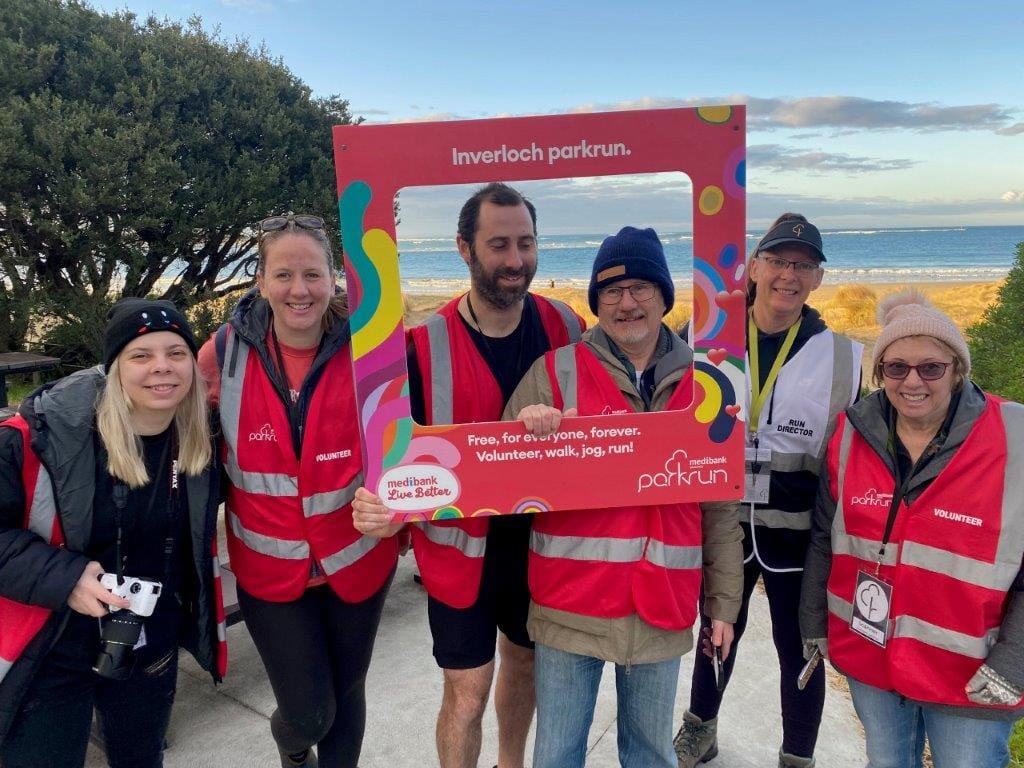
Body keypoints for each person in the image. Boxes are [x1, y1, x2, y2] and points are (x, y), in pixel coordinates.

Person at [353, 182, 584, 768]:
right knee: (466, 691)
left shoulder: (567, 327)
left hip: (544, 547)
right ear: (463, 247)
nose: (515, 261)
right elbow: (392, 462)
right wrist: (384, 510)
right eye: (499, 244)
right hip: (461, 555)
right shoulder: (419, 347)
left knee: (525, 664)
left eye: (526, 244)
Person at [503, 226, 744, 768]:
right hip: (570, 607)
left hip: (662, 608)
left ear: (664, 296)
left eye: (640, 287)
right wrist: (528, 432)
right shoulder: (554, 371)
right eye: (611, 290)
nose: (627, 302)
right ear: (596, 303)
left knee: (649, 755)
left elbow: (722, 505)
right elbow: (500, 476)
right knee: (557, 754)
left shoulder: (711, 381)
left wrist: (723, 605)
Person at [198, 213, 398, 768]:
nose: (299, 290)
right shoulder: (222, 355)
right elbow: (179, 437)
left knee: (347, 694)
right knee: (309, 712)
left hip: (357, 561)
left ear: (335, 277)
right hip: (268, 572)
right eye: (283, 275)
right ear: (260, 281)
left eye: (312, 274)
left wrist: (400, 512)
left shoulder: (371, 348)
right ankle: (293, 753)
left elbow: (405, 449)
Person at [799, 290, 1024, 768]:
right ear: (880, 374)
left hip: (972, 671)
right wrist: (814, 622)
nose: (913, 381)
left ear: (958, 370)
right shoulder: (850, 433)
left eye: (931, 368)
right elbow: (825, 537)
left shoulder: (1015, 439)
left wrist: (1014, 662)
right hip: (871, 656)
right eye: (896, 368)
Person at [0, 299, 226, 768]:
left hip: (148, 638)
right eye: (140, 355)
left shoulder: (203, 439)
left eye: (176, 352)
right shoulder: (41, 436)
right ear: (114, 368)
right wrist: (67, 577)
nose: (161, 367)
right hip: (52, 645)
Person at [674, 213, 862, 768]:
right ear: (754, 266)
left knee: (801, 645)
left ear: (818, 278)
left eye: (803, 266)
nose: (789, 275)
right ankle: (699, 730)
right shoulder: (701, 336)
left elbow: (850, 452)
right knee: (717, 630)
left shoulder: (845, 356)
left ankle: (797, 755)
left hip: (797, 529)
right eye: (778, 261)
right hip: (723, 520)